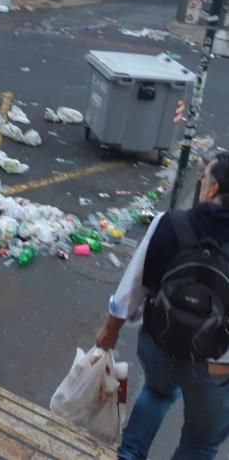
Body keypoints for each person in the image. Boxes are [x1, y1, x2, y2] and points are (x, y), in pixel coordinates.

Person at [95, 152, 229, 460]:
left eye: (205, 178)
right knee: (201, 444)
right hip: (219, 363)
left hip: (160, 342)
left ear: (212, 189)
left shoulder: (171, 223)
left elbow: (133, 286)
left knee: (156, 392)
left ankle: (129, 455)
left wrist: (110, 331)